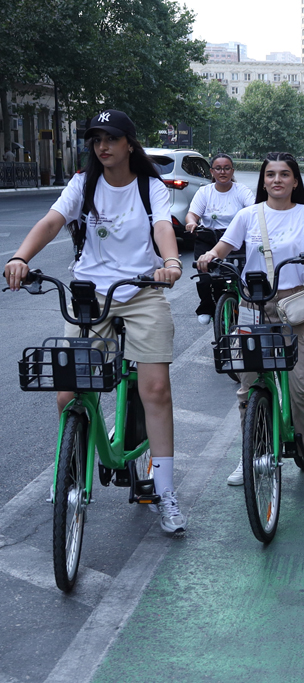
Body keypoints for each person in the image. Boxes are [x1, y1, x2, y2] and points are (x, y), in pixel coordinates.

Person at [3, 109, 187, 533]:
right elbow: (52, 222)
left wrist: (171, 261)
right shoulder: (83, 183)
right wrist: (20, 257)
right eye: (96, 139)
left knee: (155, 389)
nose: (103, 146)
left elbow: (162, 227)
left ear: (129, 144)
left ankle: (165, 492)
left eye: (112, 138)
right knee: (68, 394)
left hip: (141, 291)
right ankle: (72, 470)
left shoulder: (149, 186)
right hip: (90, 296)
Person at [197, 152, 304, 481]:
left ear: (295, 181)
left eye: (284, 174)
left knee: (303, 385)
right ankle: (253, 453)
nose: (277, 180)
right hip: (252, 307)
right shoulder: (248, 215)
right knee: (249, 386)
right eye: (270, 174)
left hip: (295, 307)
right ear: (263, 181)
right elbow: (223, 248)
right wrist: (209, 255)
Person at [185, 153, 255, 325]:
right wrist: (191, 223)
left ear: (232, 170)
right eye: (218, 168)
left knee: (243, 277)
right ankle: (206, 307)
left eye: (226, 168)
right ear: (211, 171)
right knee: (206, 277)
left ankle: (243, 308)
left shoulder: (242, 191)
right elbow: (192, 215)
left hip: (235, 240)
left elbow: (253, 211)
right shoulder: (204, 192)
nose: (222, 172)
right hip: (208, 238)